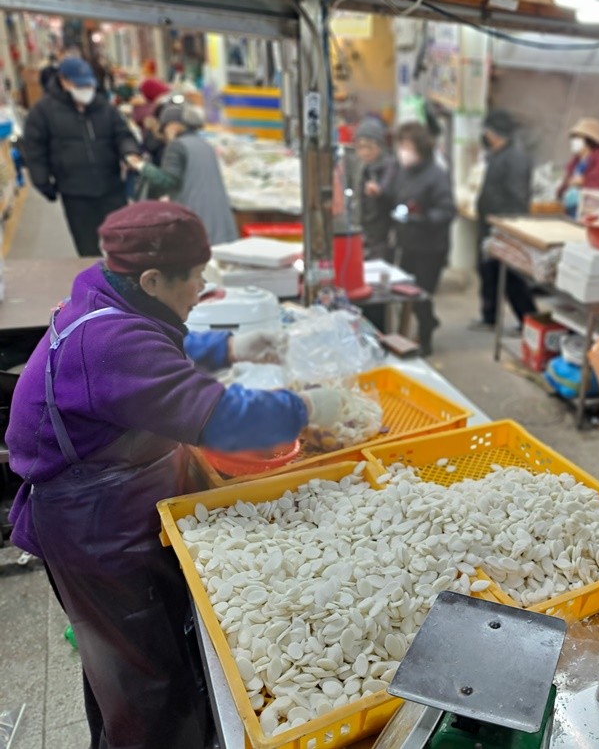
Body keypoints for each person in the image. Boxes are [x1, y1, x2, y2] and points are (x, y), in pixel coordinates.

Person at [5, 202, 348, 749]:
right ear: (151, 279)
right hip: (91, 527)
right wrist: (306, 408)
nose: (202, 288)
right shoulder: (110, 344)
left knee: (119, 666)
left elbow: (154, 347)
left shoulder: (106, 295)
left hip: (108, 504)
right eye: (195, 277)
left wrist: (227, 347)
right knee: (146, 682)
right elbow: (220, 418)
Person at [23, 57, 139, 257]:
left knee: (123, 243)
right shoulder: (43, 112)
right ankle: (95, 277)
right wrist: (42, 181)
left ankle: (123, 276)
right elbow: (34, 149)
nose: (86, 89)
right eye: (80, 85)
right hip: (75, 192)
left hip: (111, 186)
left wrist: (130, 152)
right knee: (88, 247)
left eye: (88, 84)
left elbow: (123, 134)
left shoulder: (104, 107)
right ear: (64, 81)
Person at [387, 122, 455, 356]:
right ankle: (428, 322)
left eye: (408, 147)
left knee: (422, 293)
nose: (403, 152)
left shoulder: (437, 175)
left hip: (431, 246)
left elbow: (447, 211)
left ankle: (425, 338)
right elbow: (394, 195)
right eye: (401, 146)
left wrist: (421, 217)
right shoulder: (402, 172)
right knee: (406, 291)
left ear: (421, 148)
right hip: (407, 243)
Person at [129, 102, 238, 245]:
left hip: (195, 219)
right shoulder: (206, 145)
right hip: (220, 222)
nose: (165, 135)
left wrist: (141, 166)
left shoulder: (177, 146)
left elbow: (168, 180)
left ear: (173, 126)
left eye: (165, 129)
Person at [472, 110, 537, 331]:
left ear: (494, 133)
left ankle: (529, 320)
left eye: (487, 131)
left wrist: (507, 227)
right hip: (489, 224)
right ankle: (489, 317)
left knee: (511, 277)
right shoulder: (497, 154)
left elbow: (518, 197)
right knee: (488, 272)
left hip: (503, 227)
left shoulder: (515, 158)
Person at [556, 117, 599, 217]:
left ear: (588, 140)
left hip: (591, 213)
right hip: (570, 211)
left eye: (578, 138)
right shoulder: (576, 162)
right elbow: (563, 188)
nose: (573, 142)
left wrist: (584, 183)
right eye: (573, 138)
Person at [354, 117, 396, 262]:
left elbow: (387, 189)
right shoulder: (363, 168)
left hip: (384, 233)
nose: (364, 152)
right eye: (360, 147)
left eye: (369, 147)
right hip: (365, 231)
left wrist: (378, 191)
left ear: (379, 146)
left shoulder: (390, 166)